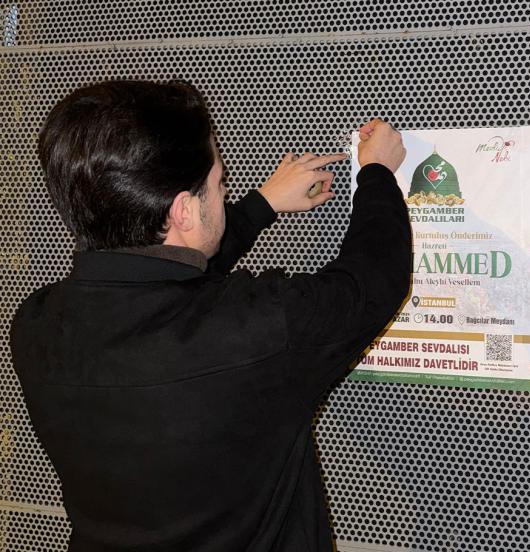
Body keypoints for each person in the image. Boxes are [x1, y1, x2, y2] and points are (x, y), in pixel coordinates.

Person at [10, 80, 411, 551]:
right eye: (220, 184)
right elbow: (372, 280)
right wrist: (377, 171)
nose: (225, 192)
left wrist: (262, 204)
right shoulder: (261, 329)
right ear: (183, 211)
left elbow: (160, 283)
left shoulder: (36, 326)